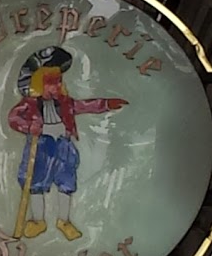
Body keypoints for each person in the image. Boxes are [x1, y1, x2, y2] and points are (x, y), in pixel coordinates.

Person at [8, 45, 127, 241]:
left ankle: (64, 221)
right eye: (50, 83)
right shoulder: (29, 104)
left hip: (63, 145)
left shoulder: (66, 103)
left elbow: (85, 106)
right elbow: (13, 118)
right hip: (41, 146)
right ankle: (38, 221)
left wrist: (106, 104)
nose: (56, 86)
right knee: (36, 183)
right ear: (38, 83)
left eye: (58, 81)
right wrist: (29, 127)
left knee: (66, 181)